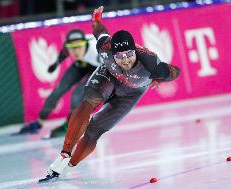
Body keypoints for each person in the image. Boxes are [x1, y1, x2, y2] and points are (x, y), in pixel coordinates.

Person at [39, 6, 180, 182]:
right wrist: (96, 21)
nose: (125, 60)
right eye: (119, 56)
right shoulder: (105, 47)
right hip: (108, 76)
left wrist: (162, 77)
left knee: (95, 130)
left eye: (128, 55)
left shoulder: (151, 64)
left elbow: (176, 72)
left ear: (134, 52)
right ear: (112, 53)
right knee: (89, 101)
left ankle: (69, 166)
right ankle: (64, 154)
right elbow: (100, 32)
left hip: (131, 92)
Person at [17, 29, 100, 138]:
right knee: (58, 90)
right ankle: (38, 123)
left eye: (79, 47)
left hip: (98, 67)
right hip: (82, 63)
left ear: (85, 44)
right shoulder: (70, 48)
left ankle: (71, 125)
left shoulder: (97, 51)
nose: (75, 51)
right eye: (72, 48)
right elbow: (65, 51)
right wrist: (56, 63)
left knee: (77, 95)